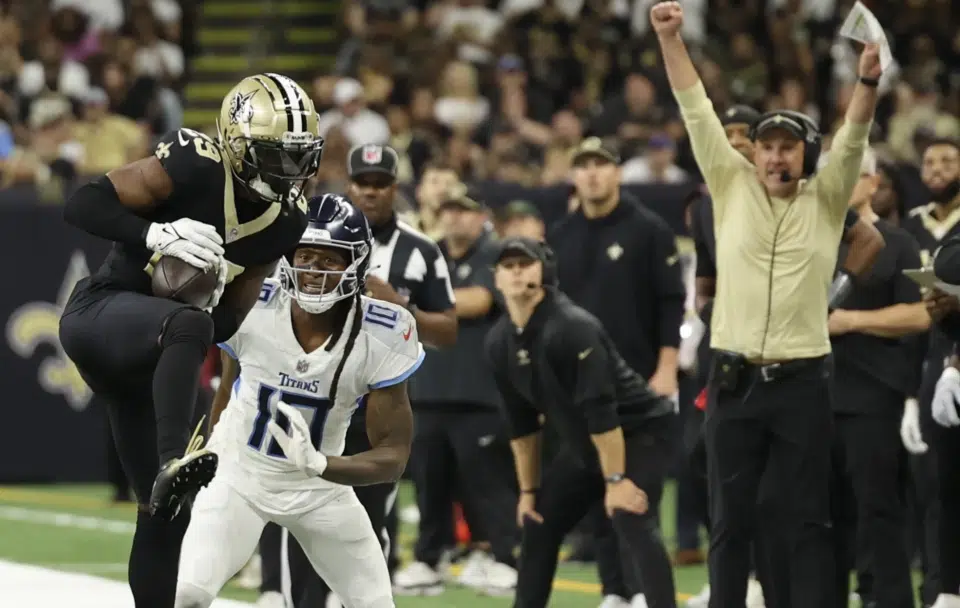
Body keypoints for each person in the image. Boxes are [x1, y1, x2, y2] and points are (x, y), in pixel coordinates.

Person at [58, 73, 323, 608]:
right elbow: (83, 203)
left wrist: (211, 288)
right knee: (188, 329)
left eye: (299, 155)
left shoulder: (287, 220)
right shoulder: (195, 163)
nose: (289, 170)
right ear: (237, 143)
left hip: (152, 359)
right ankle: (171, 460)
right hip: (98, 314)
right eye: (276, 154)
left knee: (163, 515)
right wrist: (154, 233)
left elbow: (224, 322)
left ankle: (167, 481)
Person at [651, 2, 880, 606]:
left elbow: (854, 135)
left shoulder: (829, 197)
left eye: (787, 147)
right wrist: (669, 37)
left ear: (806, 153)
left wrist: (868, 80)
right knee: (730, 519)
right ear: (751, 152)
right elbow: (694, 106)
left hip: (803, 380)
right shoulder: (727, 186)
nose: (776, 157)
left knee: (804, 518)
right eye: (766, 147)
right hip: (734, 381)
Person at [175, 193, 423, 608]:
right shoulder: (253, 301)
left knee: (376, 604)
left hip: (321, 488)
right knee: (186, 595)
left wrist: (324, 464)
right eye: (304, 255)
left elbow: (394, 456)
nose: (314, 271)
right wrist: (210, 450)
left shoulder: (383, 329)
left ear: (357, 264)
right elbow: (228, 384)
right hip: (241, 477)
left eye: (330, 260)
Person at [485, 236, 678, 608]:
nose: (515, 272)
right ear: (495, 278)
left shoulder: (571, 327)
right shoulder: (499, 342)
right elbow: (522, 425)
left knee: (630, 513)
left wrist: (616, 481)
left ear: (544, 272)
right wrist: (528, 493)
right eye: (507, 266)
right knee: (539, 521)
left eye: (524, 264)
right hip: (588, 440)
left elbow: (601, 409)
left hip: (641, 431)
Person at [401, 190, 519, 596]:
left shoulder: (495, 254)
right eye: (450, 210)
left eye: (465, 211)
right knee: (429, 482)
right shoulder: (428, 253)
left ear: (481, 216)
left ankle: (504, 557)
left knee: (488, 484)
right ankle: (429, 559)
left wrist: (420, 307)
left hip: (478, 391)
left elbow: (479, 300)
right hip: (429, 388)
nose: (456, 219)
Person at [827, 148, 929, 608]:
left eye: (852, 175)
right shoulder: (808, 239)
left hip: (872, 394)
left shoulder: (898, 243)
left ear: (871, 184)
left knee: (877, 510)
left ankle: (883, 599)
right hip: (810, 396)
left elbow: (920, 313)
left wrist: (850, 322)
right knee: (816, 513)